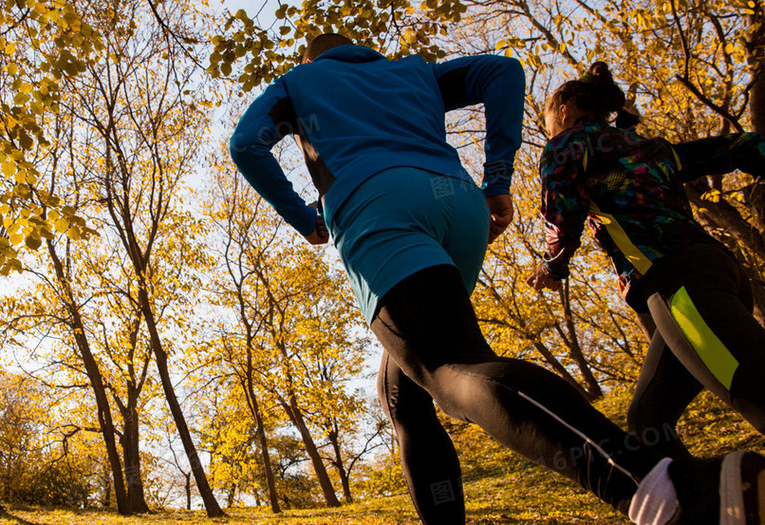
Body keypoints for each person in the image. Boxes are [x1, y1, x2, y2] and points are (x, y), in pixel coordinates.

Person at [229, 32, 765, 525]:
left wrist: (306, 218)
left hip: (380, 208)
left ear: (310, 59)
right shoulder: (412, 71)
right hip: (457, 206)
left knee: (448, 364)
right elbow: (503, 72)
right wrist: (497, 177)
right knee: (405, 391)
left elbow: (246, 144)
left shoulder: (296, 84)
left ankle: (666, 489)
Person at [527, 61, 765, 461]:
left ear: (564, 112)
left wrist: (550, 267)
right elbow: (739, 148)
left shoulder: (567, 146)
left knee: (757, 389)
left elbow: (562, 218)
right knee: (647, 421)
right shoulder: (650, 148)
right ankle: (705, 504)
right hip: (715, 275)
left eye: (549, 122)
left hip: (680, 288)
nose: (550, 131)